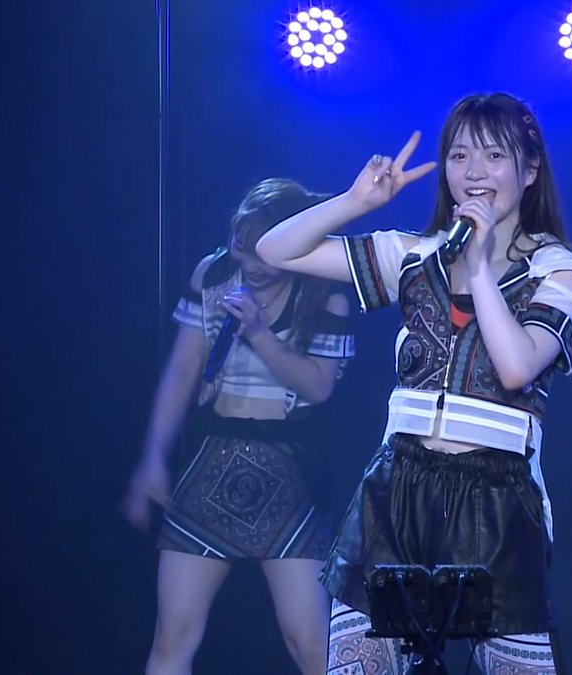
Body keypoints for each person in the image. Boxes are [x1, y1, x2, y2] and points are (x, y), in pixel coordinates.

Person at [256, 92, 572, 674]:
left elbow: (517, 367)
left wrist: (479, 264)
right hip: (396, 490)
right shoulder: (415, 256)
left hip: (497, 499)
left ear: (530, 170)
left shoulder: (560, 271)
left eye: (494, 156)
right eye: (460, 156)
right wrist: (355, 202)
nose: (475, 172)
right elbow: (275, 250)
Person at [122, 178, 356, 675]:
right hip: (212, 462)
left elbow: (319, 386)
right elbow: (182, 372)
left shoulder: (325, 292)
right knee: (173, 634)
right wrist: (152, 459)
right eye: (240, 246)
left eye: (262, 251)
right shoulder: (214, 275)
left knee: (311, 643)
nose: (250, 263)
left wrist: (259, 333)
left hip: (290, 474)